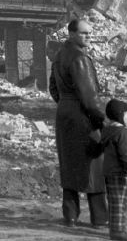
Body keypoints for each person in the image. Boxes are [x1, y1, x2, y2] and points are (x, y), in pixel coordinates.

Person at [49, 18, 107, 228]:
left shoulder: (59, 56)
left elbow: (53, 89)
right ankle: (99, 217)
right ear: (72, 33)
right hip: (83, 118)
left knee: (69, 165)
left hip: (64, 115)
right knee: (94, 166)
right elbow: (90, 97)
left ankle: (70, 215)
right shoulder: (80, 58)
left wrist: (66, 104)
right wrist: (103, 120)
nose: (88, 37)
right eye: (84, 33)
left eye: (90, 33)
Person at [94, 99, 127, 241]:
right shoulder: (122, 133)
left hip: (108, 172)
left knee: (115, 201)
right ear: (120, 116)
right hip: (119, 173)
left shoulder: (107, 130)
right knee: (119, 202)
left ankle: (115, 227)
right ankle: (117, 231)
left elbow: (102, 148)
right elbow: (125, 156)